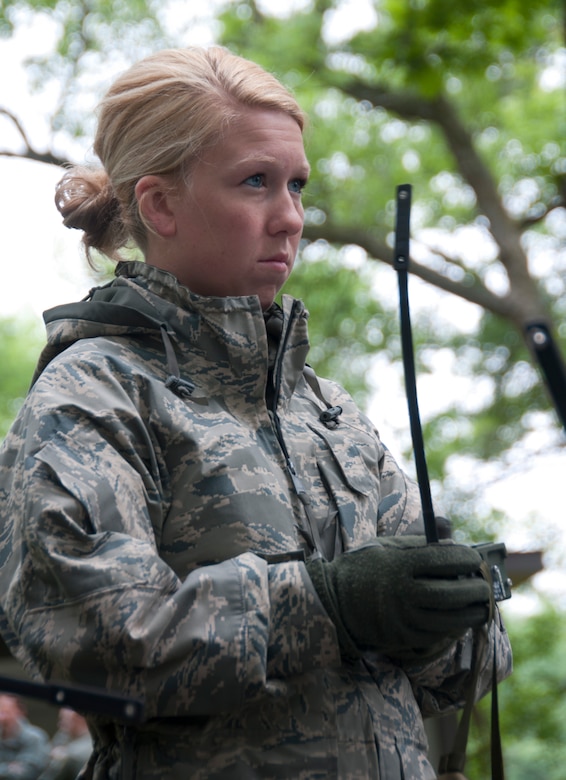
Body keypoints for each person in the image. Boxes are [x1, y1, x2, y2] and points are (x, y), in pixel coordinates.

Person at [0, 46, 512, 779]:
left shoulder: (327, 410)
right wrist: (332, 605)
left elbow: (458, 677)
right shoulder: (94, 395)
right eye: (255, 183)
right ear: (160, 204)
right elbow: (93, 647)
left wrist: (447, 609)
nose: (291, 218)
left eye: (297, 186)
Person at [0, 694, 49, 779]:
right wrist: (8, 767)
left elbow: (27, 773)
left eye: (7, 712)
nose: (2, 718)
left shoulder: (35, 738)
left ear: (20, 712)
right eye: (0, 712)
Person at [39, 708, 92, 780]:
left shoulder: (81, 750)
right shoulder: (64, 734)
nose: (60, 724)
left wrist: (62, 755)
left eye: (63, 720)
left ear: (78, 719)